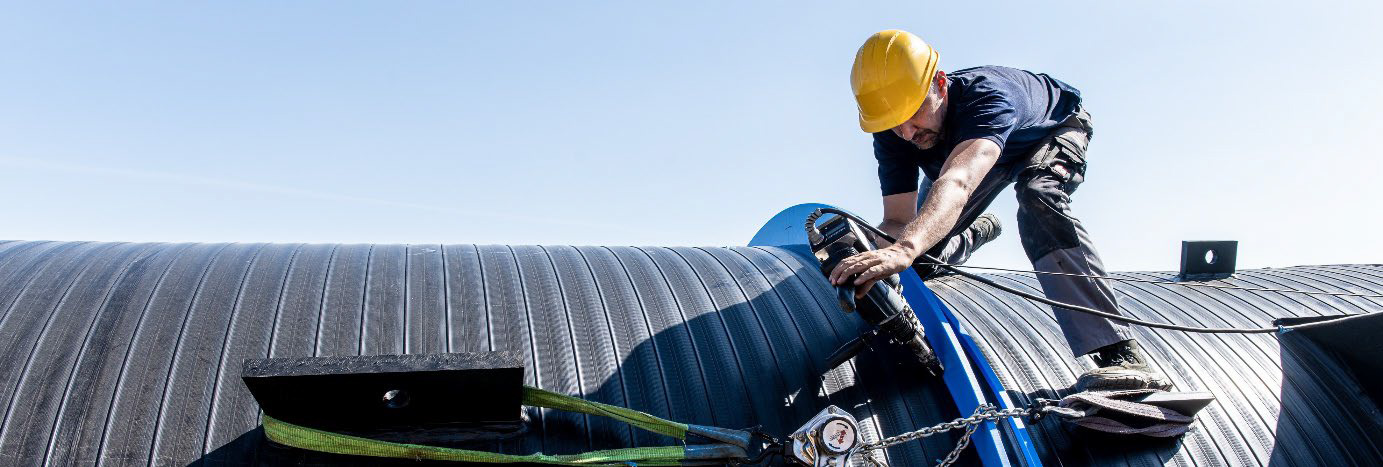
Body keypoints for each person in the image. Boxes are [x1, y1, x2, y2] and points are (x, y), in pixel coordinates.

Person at [827, 29, 1169, 391]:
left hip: (1046, 132)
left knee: (1038, 196)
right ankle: (976, 231)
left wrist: (904, 248)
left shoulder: (989, 97)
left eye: (915, 114)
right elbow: (898, 220)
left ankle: (1119, 352)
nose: (908, 133)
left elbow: (958, 182)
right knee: (920, 253)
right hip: (969, 160)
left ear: (940, 84)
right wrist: (876, 256)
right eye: (895, 125)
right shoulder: (894, 132)